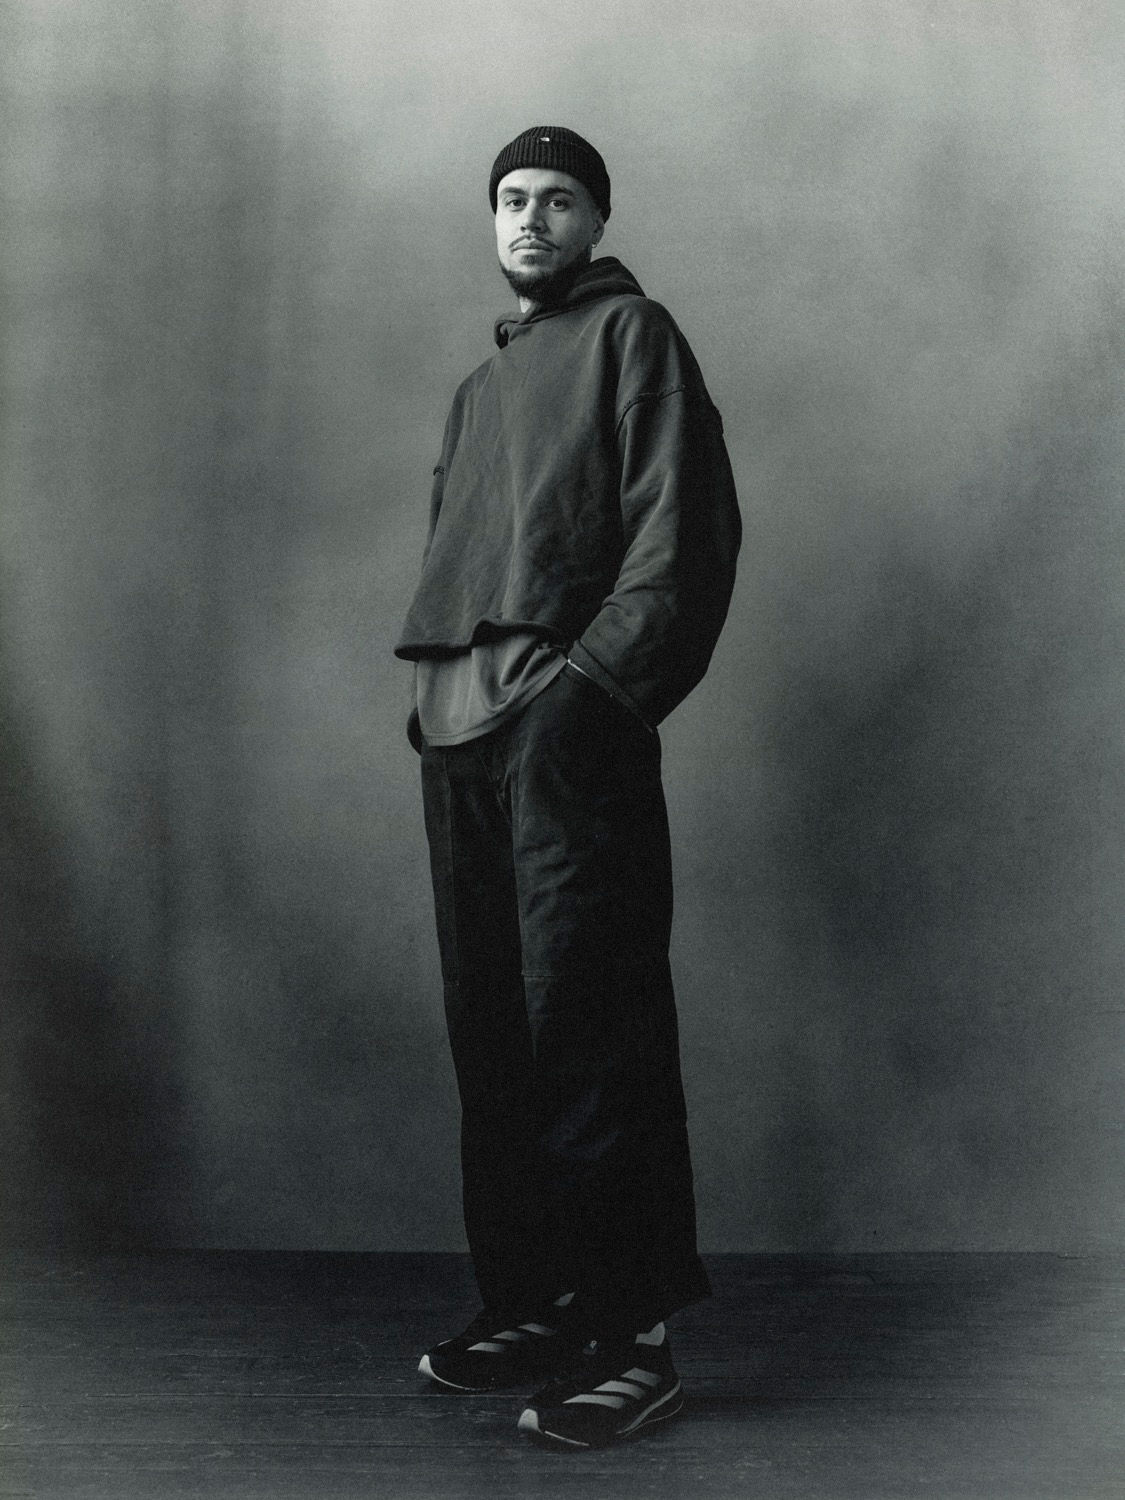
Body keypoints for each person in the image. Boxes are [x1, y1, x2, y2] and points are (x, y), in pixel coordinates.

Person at [394, 125, 741, 1450]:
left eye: (556, 200)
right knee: (492, 1035)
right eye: (510, 199)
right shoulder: (479, 388)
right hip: (459, 738)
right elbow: (459, 555)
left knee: (591, 1026)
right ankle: (534, 1301)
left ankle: (632, 1338)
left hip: (561, 727)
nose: (529, 219)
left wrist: (588, 695)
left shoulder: (634, 336)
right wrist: (439, 715)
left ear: (595, 220)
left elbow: (683, 534)